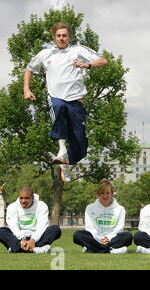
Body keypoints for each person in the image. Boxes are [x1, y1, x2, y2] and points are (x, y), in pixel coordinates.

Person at [24, 22, 108, 183]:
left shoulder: (78, 50)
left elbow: (103, 61)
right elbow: (29, 69)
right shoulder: (45, 54)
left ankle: (66, 163)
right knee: (58, 107)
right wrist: (26, 89)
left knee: (81, 148)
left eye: (64, 35)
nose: (61, 38)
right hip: (55, 97)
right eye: (58, 36)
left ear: (69, 37)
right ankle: (62, 149)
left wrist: (87, 65)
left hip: (76, 102)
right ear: (54, 37)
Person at [73, 179, 132, 254]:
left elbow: (119, 229)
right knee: (77, 235)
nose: (105, 196)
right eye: (102, 193)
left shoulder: (120, 209)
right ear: (98, 194)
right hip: (95, 239)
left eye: (108, 193)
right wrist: (100, 239)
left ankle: (93, 248)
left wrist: (108, 238)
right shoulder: (90, 208)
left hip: (113, 239)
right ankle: (110, 250)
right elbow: (89, 228)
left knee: (128, 236)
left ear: (112, 193)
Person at [0, 186, 61, 253]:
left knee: (55, 229)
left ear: (32, 198)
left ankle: (16, 248)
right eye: (21, 198)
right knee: (0, 232)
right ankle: (36, 249)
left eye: (26, 198)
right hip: (19, 239)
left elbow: (42, 226)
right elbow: (13, 226)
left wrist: (33, 240)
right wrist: (22, 239)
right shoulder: (12, 207)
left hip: (37, 238)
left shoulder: (41, 206)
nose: (23, 201)